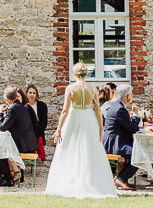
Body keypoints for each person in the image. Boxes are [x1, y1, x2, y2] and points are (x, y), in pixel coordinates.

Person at [45, 63, 117, 198]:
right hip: (88, 119)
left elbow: (65, 110)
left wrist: (59, 128)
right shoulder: (92, 89)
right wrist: (101, 128)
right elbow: (97, 110)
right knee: (89, 150)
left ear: (74, 74)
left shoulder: (71, 88)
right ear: (86, 74)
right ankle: (91, 183)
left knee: (69, 149)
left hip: (74, 118)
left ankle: (70, 182)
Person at [0, 85, 39, 184]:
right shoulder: (19, 106)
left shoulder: (14, 108)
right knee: (3, 146)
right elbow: (9, 124)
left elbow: (2, 127)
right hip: (27, 142)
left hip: (24, 145)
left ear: (7, 99)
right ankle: (15, 173)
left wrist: (0, 112)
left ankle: (7, 178)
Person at [101, 84, 140, 190]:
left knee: (137, 152)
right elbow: (132, 128)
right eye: (131, 94)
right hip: (114, 143)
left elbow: (127, 126)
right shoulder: (119, 108)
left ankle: (120, 178)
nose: (132, 96)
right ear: (127, 96)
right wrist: (136, 115)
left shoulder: (118, 105)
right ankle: (121, 179)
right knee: (139, 154)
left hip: (116, 140)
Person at [24, 84, 50, 161]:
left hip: (39, 133)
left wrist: (38, 132)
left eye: (34, 93)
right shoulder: (24, 106)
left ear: (36, 94)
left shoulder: (42, 105)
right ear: (26, 94)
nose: (32, 95)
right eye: (30, 92)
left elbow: (44, 122)